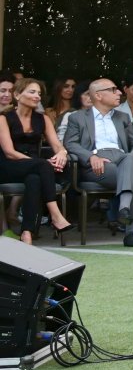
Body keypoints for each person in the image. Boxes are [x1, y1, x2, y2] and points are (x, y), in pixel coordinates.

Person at [61, 78, 133, 246]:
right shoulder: (77, 117)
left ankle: (124, 208)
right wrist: (90, 157)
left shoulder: (122, 117)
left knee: (130, 161)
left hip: (122, 157)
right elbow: (70, 144)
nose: (119, 93)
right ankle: (131, 231)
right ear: (99, 95)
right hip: (97, 162)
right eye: (113, 89)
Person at [0, 78, 74, 245]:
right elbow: (9, 152)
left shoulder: (43, 119)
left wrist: (62, 153)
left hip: (34, 168)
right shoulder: (4, 118)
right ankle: (55, 215)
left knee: (35, 179)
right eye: (32, 92)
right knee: (41, 165)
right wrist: (42, 163)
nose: (37, 97)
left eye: (39, 93)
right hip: (7, 166)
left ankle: (27, 233)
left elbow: (57, 145)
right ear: (17, 95)